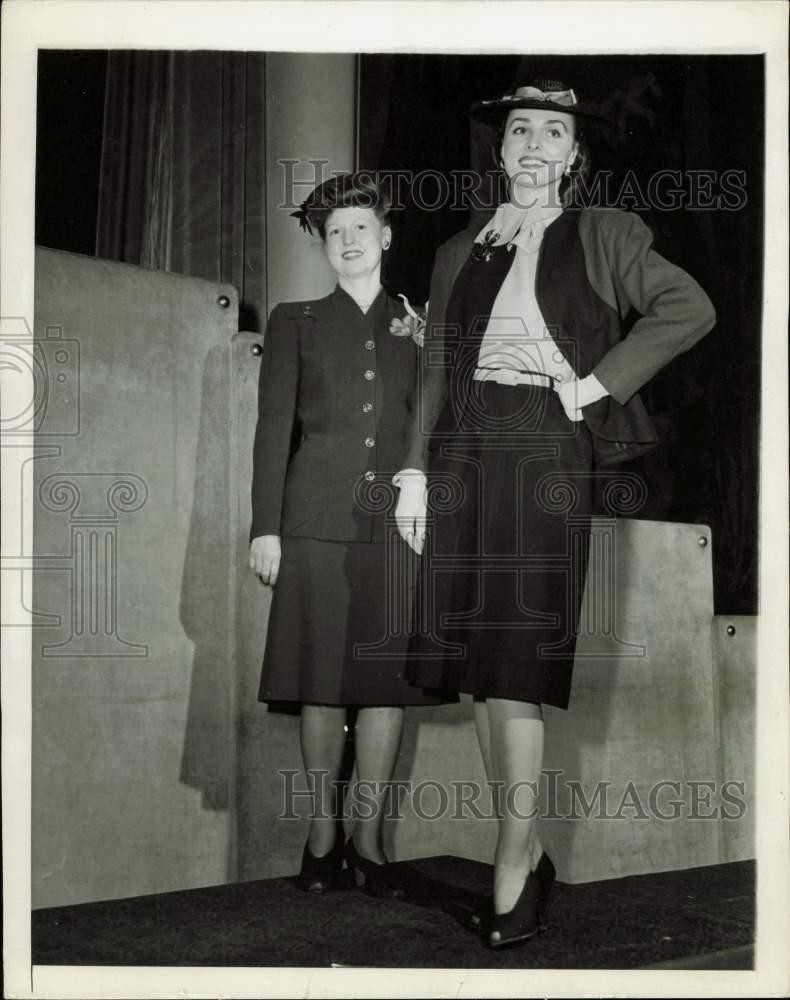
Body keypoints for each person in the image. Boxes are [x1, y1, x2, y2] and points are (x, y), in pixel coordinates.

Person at [394, 79, 716, 948]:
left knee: (517, 662)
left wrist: (595, 385)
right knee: (479, 665)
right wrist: (414, 475)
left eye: (554, 132)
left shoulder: (607, 230)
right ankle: (526, 847)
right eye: (521, 130)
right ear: (499, 149)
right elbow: (433, 366)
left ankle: (511, 857)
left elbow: (690, 308)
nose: (535, 144)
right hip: (463, 447)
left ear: (574, 154)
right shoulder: (461, 247)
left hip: (545, 439)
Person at [249, 172, 440, 899]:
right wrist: (266, 527)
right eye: (335, 233)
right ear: (324, 247)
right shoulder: (295, 319)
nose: (349, 241)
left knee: (385, 685)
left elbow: (436, 426)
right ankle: (322, 836)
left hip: (400, 525)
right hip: (315, 524)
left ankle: (369, 842)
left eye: (361, 228)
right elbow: (274, 432)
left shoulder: (423, 325)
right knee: (323, 683)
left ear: (386, 237)